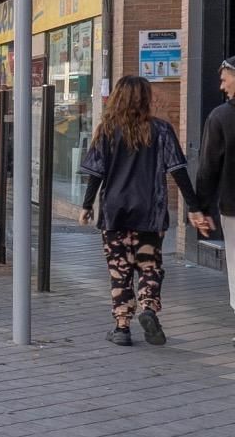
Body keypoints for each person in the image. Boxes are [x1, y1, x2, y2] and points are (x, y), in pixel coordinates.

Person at [80, 75, 203, 347]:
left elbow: (95, 174)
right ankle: (148, 308)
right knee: (150, 266)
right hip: (150, 212)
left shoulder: (107, 130)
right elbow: (178, 171)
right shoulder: (161, 130)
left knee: (119, 270)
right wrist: (194, 207)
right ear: (145, 99)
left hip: (114, 213)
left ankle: (122, 327)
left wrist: (87, 205)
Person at [190, 56, 235, 312]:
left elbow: (208, 167)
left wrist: (201, 208)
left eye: (224, 79)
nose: (221, 86)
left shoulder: (221, 117)